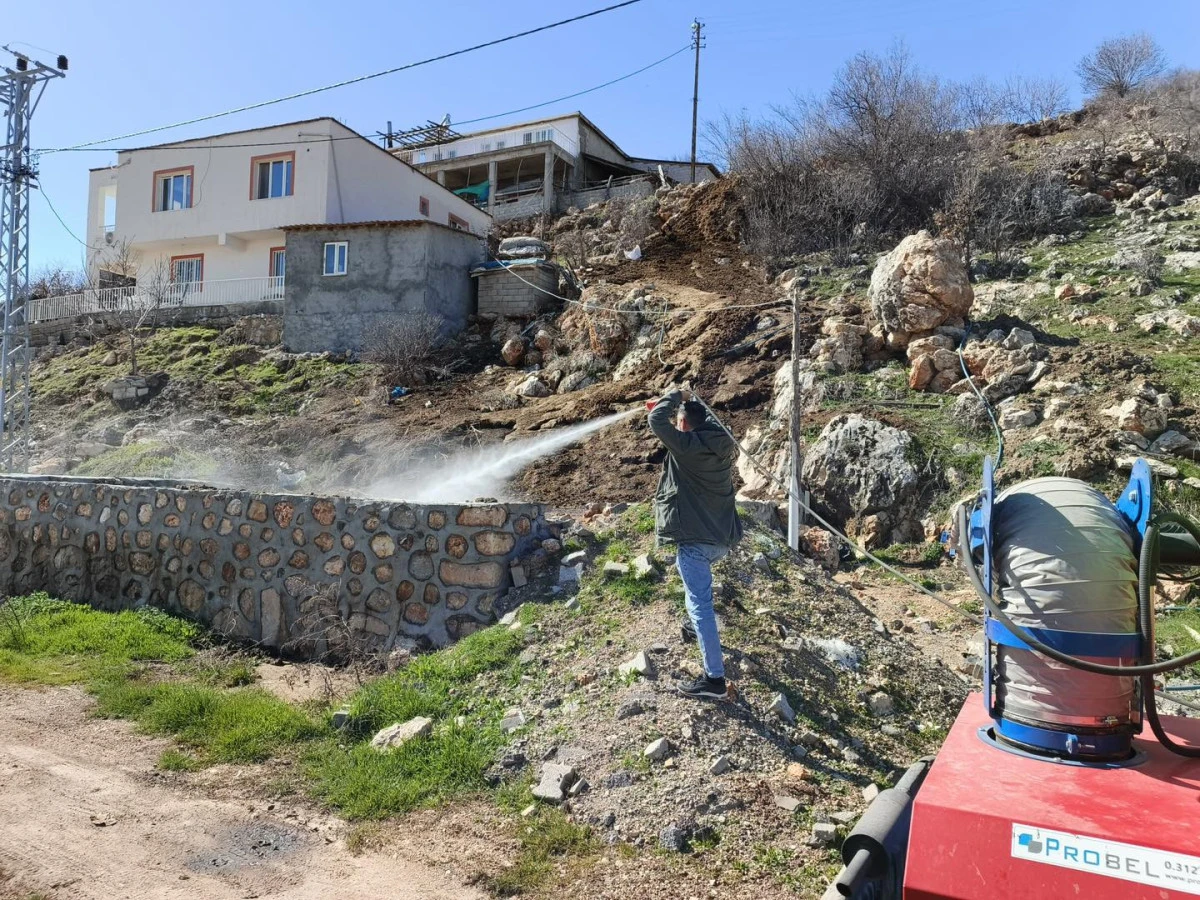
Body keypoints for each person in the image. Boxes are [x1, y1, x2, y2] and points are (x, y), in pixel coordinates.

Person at [648, 387, 743, 699]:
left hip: (697, 542)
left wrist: (675, 395)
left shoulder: (687, 447)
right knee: (697, 596)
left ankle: (714, 680)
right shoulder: (721, 441)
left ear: (685, 425)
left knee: (699, 603)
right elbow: (701, 421)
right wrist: (689, 403)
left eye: (679, 422)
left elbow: (656, 421)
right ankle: (695, 629)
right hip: (722, 539)